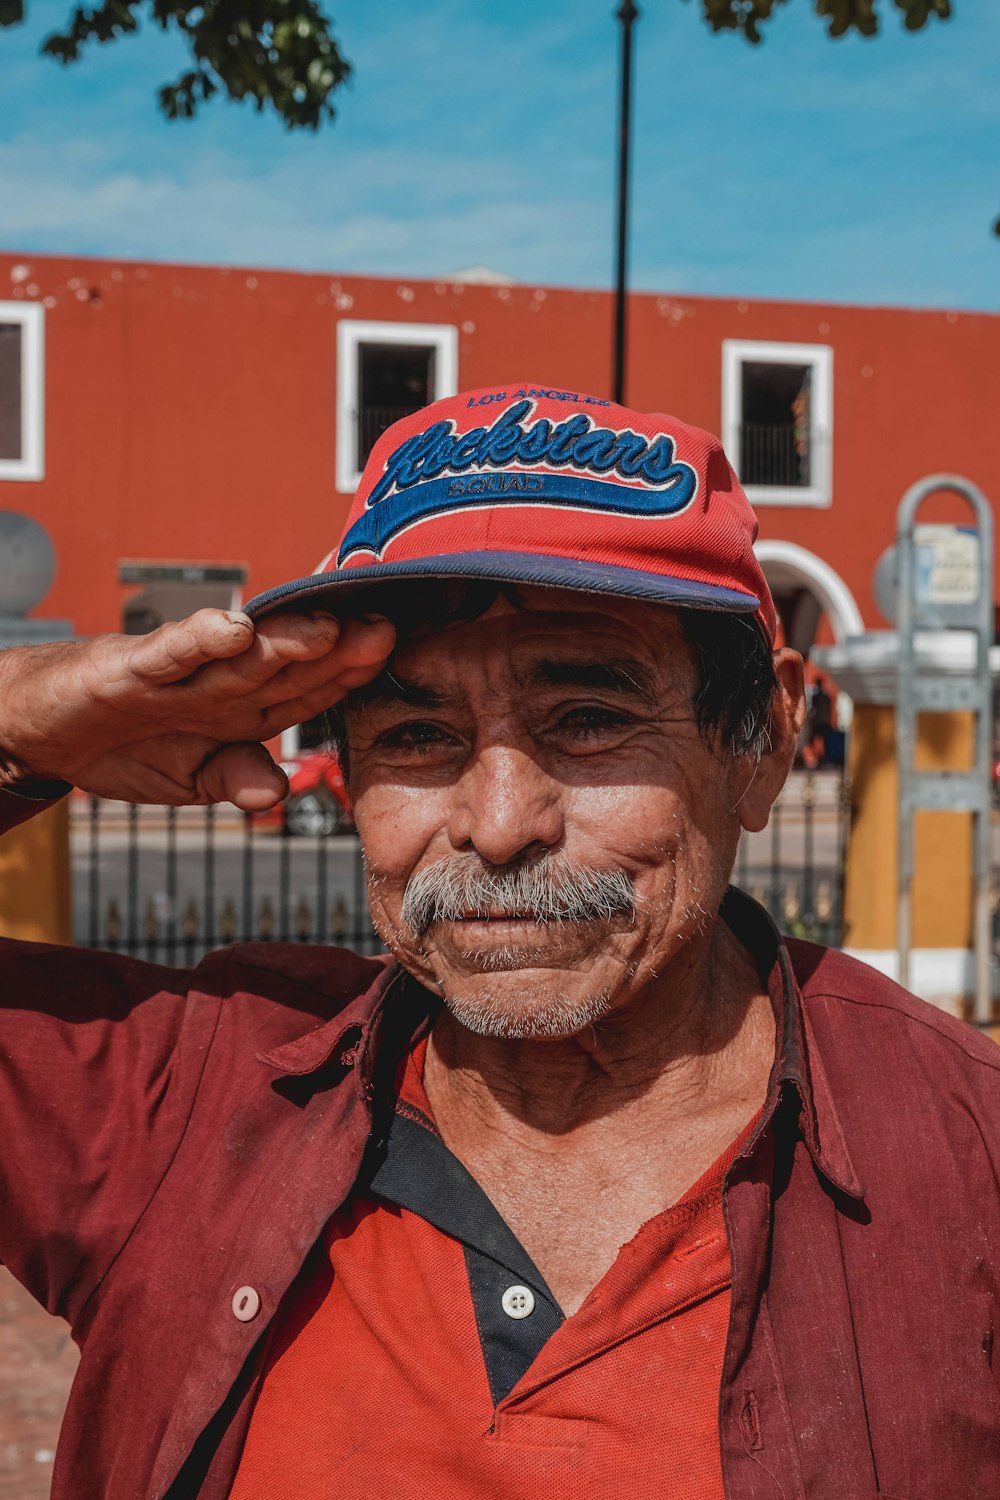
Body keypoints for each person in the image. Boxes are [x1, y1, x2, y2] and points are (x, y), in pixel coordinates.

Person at [0, 385, 998, 1500]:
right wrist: (14, 723)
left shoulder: (966, 1160)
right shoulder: (176, 1097)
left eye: (586, 719)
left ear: (761, 743)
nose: (498, 822)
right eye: (416, 735)